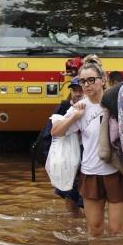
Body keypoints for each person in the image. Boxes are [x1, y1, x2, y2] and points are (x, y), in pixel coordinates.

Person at [51, 54, 123, 237]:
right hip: (90, 174)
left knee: (116, 231)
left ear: (103, 80)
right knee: (94, 230)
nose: (87, 85)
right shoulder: (79, 107)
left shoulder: (117, 102)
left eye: (91, 80)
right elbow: (55, 131)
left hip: (116, 172)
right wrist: (74, 117)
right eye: (83, 81)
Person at [41, 75, 84, 215]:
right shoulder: (64, 107)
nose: (78, 93)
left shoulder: (97, 108)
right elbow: (50, 135)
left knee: (91, 200)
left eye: (81, 90)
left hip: (88, 160)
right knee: (70, 198)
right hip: (69, 162)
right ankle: (74, 225)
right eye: (75, 90)